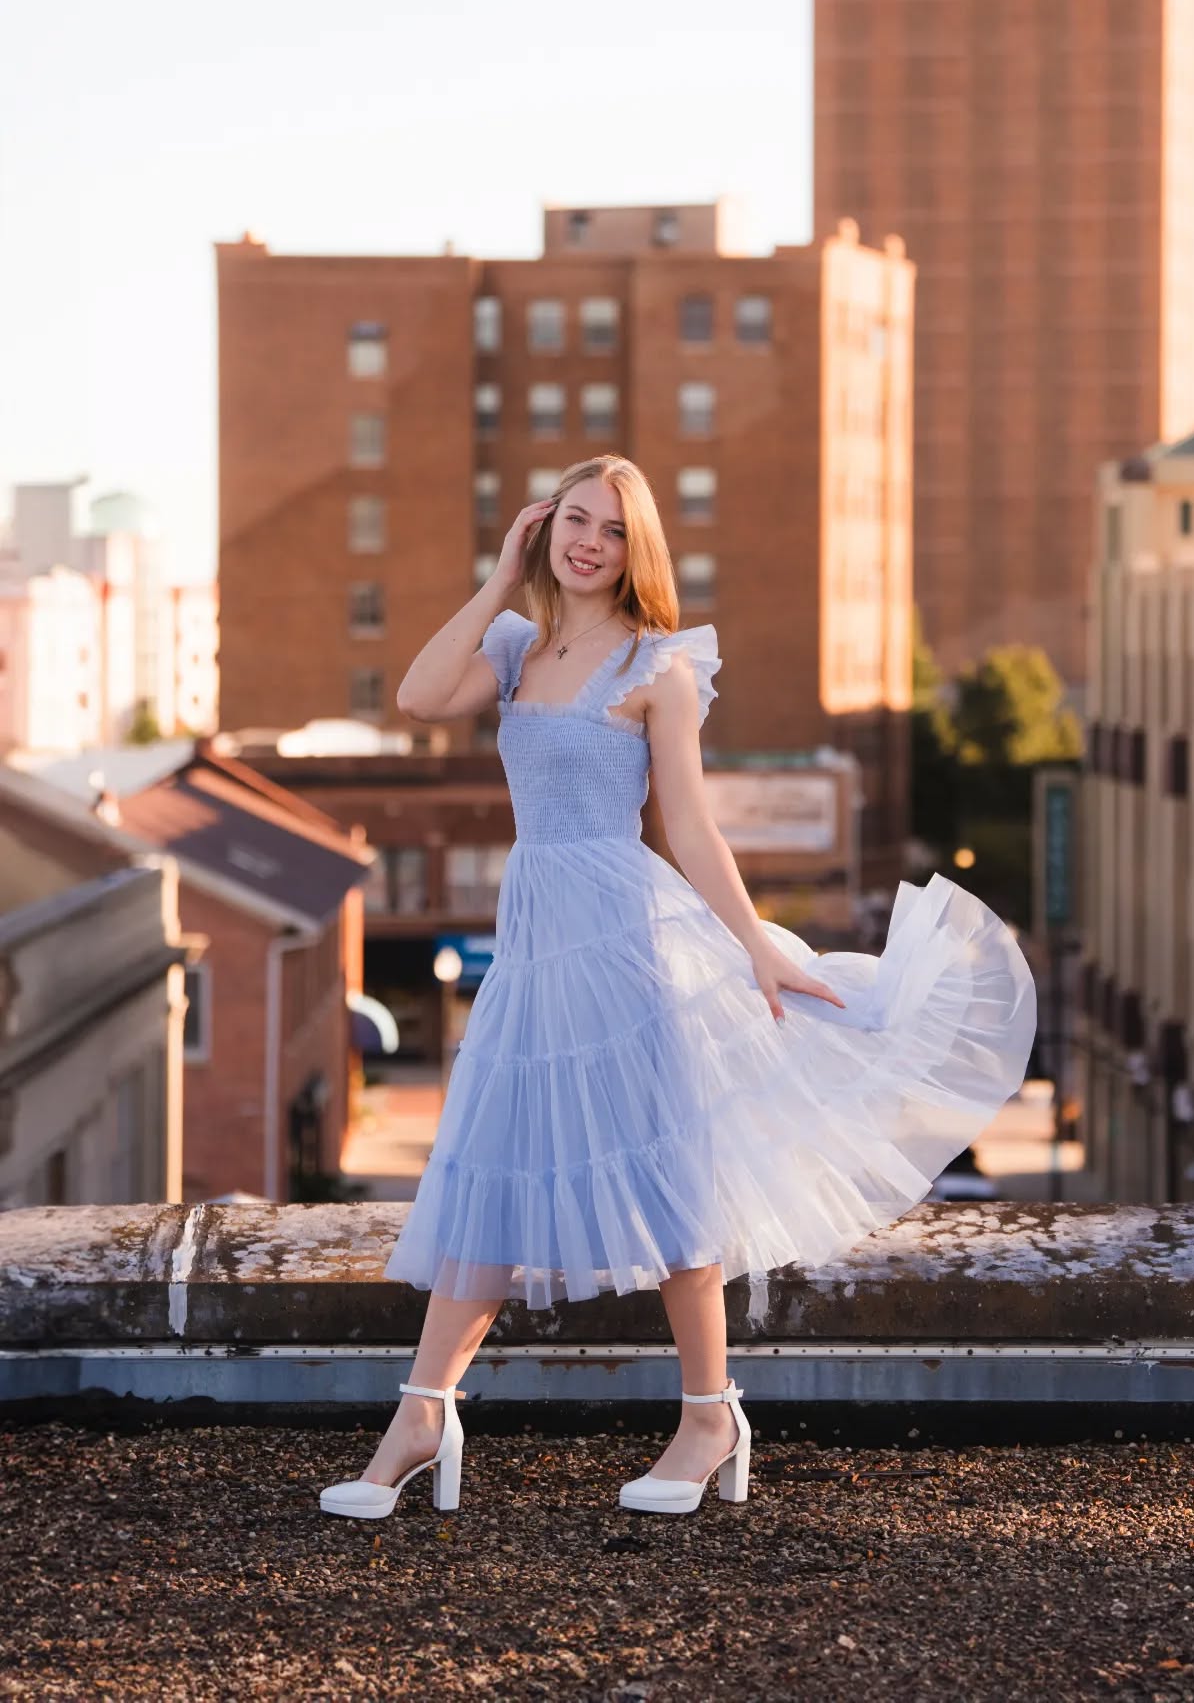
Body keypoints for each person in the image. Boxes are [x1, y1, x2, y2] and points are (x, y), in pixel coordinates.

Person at [320, 453, 1036, 1521]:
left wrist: (755, 944)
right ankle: (422, 1412)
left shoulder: (659, 664)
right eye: (573, 521)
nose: (590, 543)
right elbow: (422, 696)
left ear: (635, 549)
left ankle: (711, 1416)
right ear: (543, 527)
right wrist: (499, 576)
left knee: (666, 1175)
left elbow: (692, 826)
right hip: (533, 943)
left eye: (612, 529)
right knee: (491, 1169)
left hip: (621, 937)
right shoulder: (514, 647)